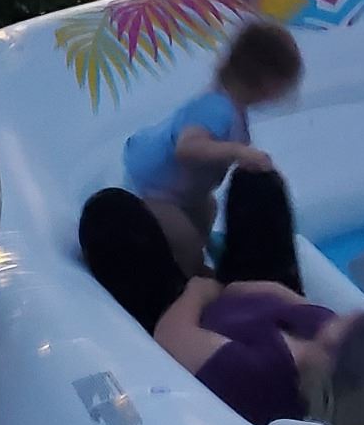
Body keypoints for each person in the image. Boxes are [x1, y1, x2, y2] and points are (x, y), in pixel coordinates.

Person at [78, 184, 364, 425]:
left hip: (179, 309)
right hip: (230, 299)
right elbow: (281, 295)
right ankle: (198, 253)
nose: (357, 313)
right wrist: (229, 286)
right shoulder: (320, 332)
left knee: (109, 217)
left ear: (339, 352)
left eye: (362, 323)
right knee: (258, 185)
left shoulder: (262, 379)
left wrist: (199, 290)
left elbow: (172, 335)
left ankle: (185, 258)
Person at [121, 19, 304, 274]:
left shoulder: (234, 110)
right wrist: (238, 151)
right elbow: (187, 148)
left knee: (208, 209)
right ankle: (189, 276)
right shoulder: (216, 108)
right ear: (268, 82)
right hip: (150, 189)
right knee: (185, 240)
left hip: (180, 191)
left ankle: (200, 252)